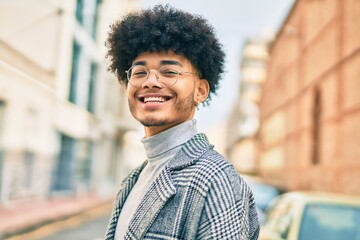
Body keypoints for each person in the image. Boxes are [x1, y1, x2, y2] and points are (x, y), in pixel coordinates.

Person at [104, 4, 259, 240]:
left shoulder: (215, 180)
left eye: (169, 72)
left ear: (200, 90)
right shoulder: (134, 179)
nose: (151, 82)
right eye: (139, 72)